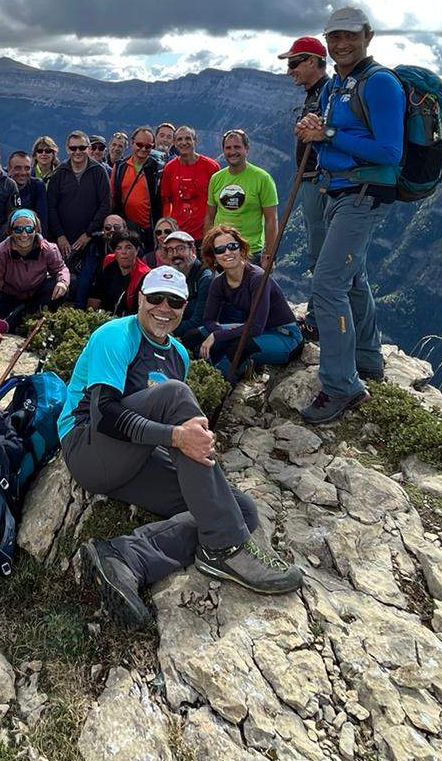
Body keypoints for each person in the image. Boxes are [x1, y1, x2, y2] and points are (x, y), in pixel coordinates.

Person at [61, 266, 303, 628]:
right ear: (140, 298)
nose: (163, 307)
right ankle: (225, 547)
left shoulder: (179, 355)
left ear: (184, 306)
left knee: (239, 510)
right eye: (155, 297)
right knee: (175, 395)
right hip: (89, 447)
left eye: (174, 301)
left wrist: (189, 443)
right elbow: (105, 416)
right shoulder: (117, 335)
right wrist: (176, 438)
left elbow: (169, 426)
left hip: (134, 458)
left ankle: (126, 556)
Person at [295, 6, 404, 424]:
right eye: (334, 37)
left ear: (368, 36)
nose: (341, 44)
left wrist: (330, 134)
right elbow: (325, 145)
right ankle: (369, 360)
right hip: (336, 189)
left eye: (349, 36)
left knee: (326, 285)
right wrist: (314, 132)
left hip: (362, 193)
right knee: (352, 276)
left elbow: (390, 152)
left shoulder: (380, 84)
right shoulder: (338, 85)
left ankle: (341, 387)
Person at [196, 224, 304, 378]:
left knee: (240, 348)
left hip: (285, 336)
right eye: (220, 250)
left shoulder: (257, 278)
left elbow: (256, 327)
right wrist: (217, 333)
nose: (227, 252)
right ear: (213, 257)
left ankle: (217, 387)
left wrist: (218, 336)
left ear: (241, 249)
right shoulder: (219, 283)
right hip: (258, 330)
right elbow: (208, 320)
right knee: (196, 335)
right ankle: (198, 372)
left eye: (232, 246)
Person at [280, 37, 329, 276]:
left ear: (311, 62)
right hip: (311, 179)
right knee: (316, 241)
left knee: (320, 248)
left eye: (293, 64)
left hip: (318, 180)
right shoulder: (314, 94)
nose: (290, 72)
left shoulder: (327, 93)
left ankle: (321, 308)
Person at [47, 131, 112, 305]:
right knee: (61, 279)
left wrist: (88, 233)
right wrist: (59, 235)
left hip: (91, 239)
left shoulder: (98, 171)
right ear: (67, 149)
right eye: (73, 148)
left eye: (82, 147)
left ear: (89, 148)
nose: (78, 152)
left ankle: (79, 315)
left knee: (85, 281)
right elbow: (51, 206)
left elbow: (105, 205)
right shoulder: (60, 173)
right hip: (63, 240)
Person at [207, 129, 279, 273]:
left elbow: (271, 219)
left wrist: (269, 255)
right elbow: (209, 216)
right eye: (228, 148)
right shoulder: (216, 178)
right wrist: (209, 251)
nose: (232, 151)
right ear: (223, 151)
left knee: (251, 295)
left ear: (246, 149)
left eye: (237, 147)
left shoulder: (262, 178)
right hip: (222, 251)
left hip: (250, 251)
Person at [0, 208, 69, 328]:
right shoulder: (0, 252)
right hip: (9, 296)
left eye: (29, 229)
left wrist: (63, 282)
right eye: (18, 229)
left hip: (36, 294)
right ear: (10, 231)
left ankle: (42, 318)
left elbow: (60, 269)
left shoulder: (49, 249)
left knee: (59, 285)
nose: (24, 235)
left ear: (36, 230)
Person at [159, 125, 219, 242]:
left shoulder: (211, 167)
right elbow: (166, 200)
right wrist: (168, 227)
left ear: (195, 141)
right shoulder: (169, 168)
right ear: (175, 144)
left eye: (188, 138)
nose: (184, 142)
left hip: (205, 234)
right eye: (179, 139)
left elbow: (218, 201)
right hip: (179, 234)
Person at [157, 229, 210, 350]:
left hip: (202, 335)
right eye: (170, 250)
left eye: (180, 249)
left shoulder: (205, 278)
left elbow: (198, 322)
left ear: (192, 250)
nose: (175, 255)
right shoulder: (173, 276)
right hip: (179, 330)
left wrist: (165, 327)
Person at [111, 127, 162, 251]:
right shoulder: (119, 167)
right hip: (125, 228)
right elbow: (112, 196)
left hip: (149, 230)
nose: (143, 149)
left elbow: (163, 199)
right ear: (132, 143)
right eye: (139, 144)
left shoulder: (158, 169)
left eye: (148, 146)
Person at [0, 150, 51, 244]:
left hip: (29, 239)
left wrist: (42, 245)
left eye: (27, 168)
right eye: (18, 168)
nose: (23, 172)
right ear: (8, 169)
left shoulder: (36, 186)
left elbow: (43, 221)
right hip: (1, 241)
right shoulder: (0, 186)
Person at [88, 230, 150, 314]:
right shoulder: (108, 262)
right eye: (119, 248)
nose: (123, 252)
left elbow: (139, 310)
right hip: (103, 315)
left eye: (128, 247)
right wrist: (91, 316)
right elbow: (96, 294)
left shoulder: (144, 274)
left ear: (137, 250)